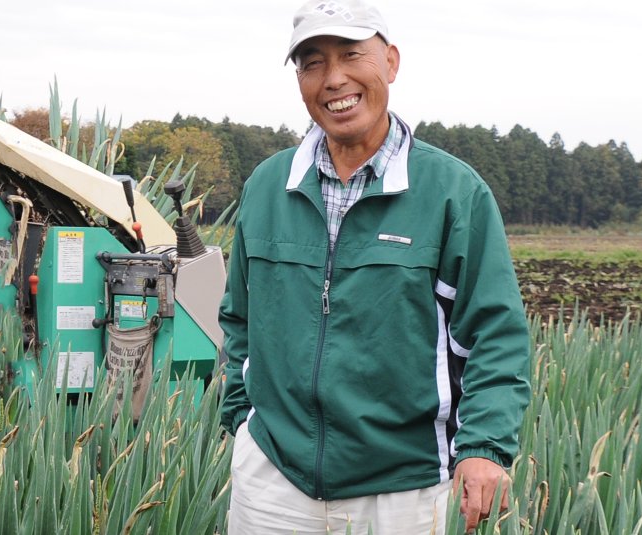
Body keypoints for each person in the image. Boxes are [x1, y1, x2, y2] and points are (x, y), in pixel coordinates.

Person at [218, 1, 532, 533]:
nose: (334, 79)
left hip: (404, 490)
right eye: (312, 63)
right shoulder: (268, 186)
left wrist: (482, 447)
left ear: (390, 62)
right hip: (273, 481)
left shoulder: (453, 193)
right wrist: (242, 417)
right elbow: (239, 318)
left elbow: (495, 334)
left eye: (351, 55)